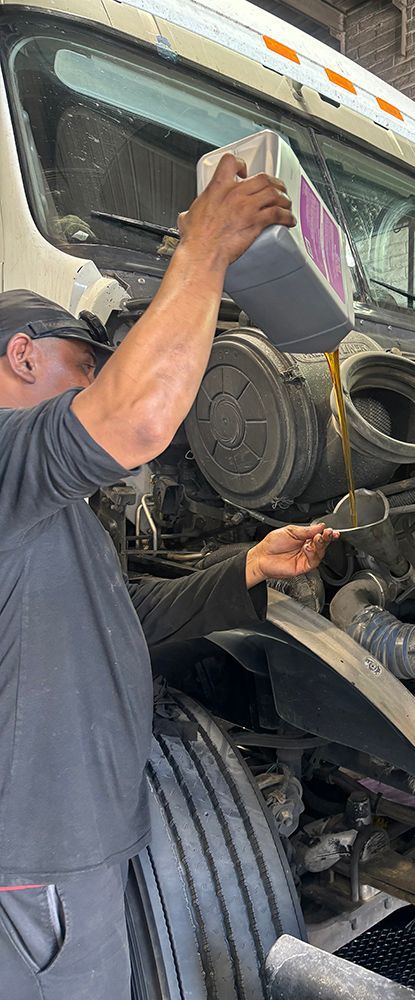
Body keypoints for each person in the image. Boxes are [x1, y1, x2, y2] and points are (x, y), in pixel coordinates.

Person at [0, 155, 338, 999]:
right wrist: (203, 251)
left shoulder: (45, 505)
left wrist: (247, 568)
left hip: (76, 847)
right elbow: (139, 414)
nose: (94, 383)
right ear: (20, 355)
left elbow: (123, 618)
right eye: (84, 365)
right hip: (37, 861)